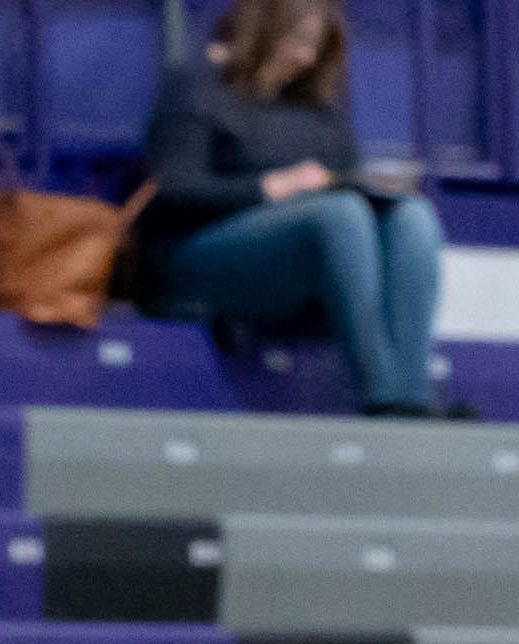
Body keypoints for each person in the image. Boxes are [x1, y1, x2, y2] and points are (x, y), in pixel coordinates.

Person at [128, 0, 456, 420]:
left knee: (414, 217)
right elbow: (173, 193)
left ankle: (413, 396)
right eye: (298, 41)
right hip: (196, 257)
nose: (306, 58)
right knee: (338, 216)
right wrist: (274, 187)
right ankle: (386, 398)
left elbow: (342, 176)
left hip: (306, 263)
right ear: (264, 29)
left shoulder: (317, 107)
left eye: (316, 47)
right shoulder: (198, 85)